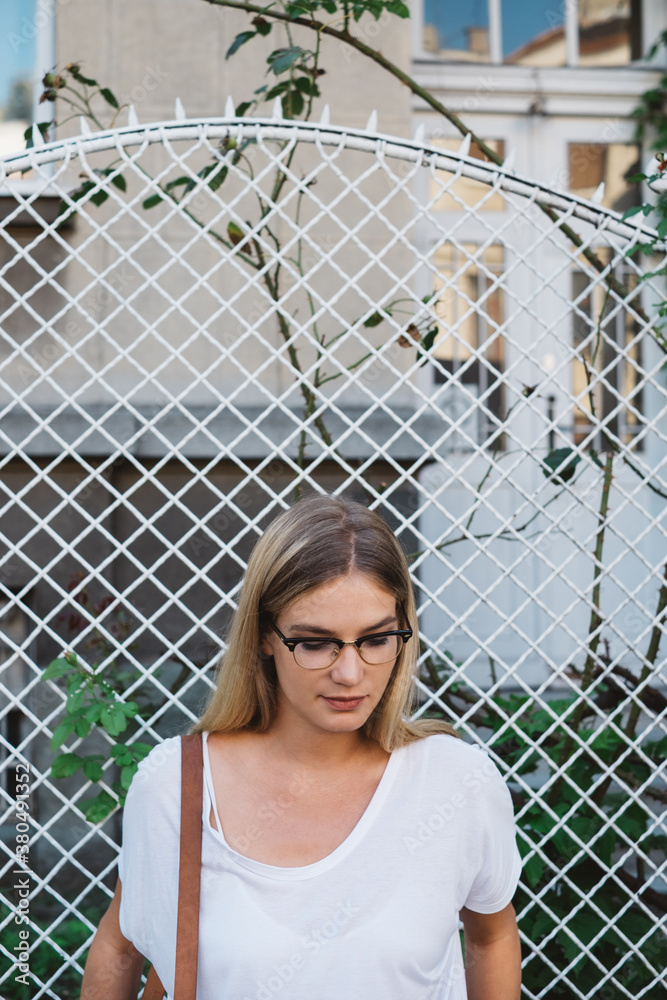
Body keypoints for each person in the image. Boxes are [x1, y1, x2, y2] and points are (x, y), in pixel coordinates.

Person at [81, 495, 522, 1000]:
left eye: (376, 640)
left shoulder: (456, 783)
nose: (350, 673)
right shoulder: (177, 785)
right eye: (315, 643)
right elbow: (121, 948)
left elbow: (491, 937)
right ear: (264, 636)